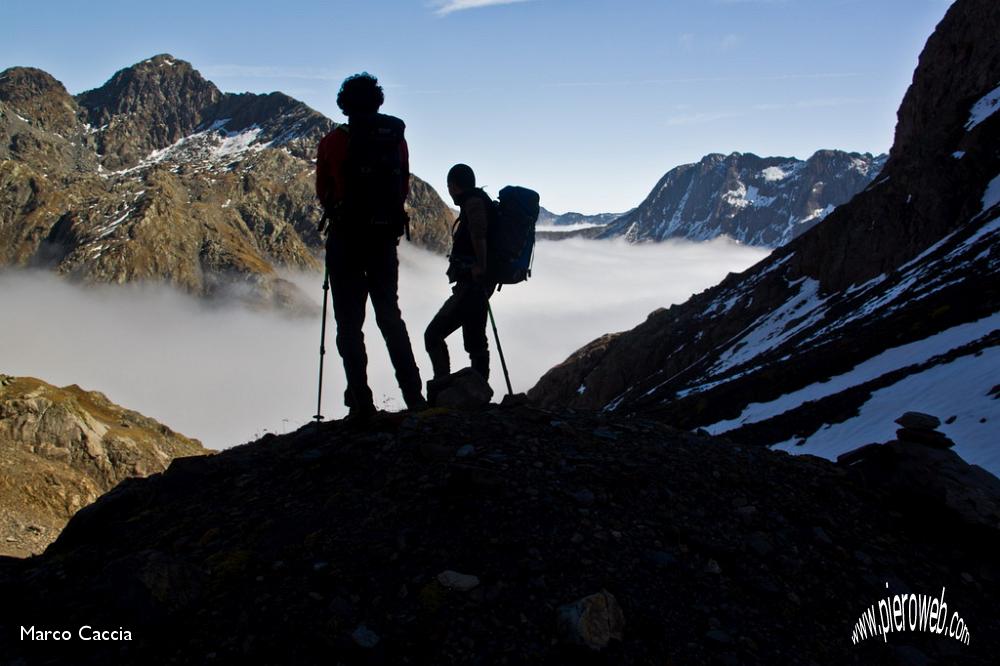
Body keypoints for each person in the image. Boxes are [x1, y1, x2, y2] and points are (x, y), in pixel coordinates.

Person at [315, 73, 426, 420]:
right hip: (382, 239)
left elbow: (324, 192)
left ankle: (361, 403)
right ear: (378, 102)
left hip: (346, 239)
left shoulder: (333, 142)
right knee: (390, 317)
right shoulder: (395, 139)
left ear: (344, 104)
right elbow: (403, 186)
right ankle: (414, 396)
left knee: (349, 325)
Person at [424, 164, 496, 395]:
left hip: (473, 285)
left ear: (454, 186)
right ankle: (479, 393)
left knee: (433, 334)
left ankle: (443, 386)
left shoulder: (473, 204)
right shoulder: (478, 200)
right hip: (479, 285)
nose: (449, 191)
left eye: (449, 187)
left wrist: (480, 267)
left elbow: (478, 233)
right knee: (475, 341)